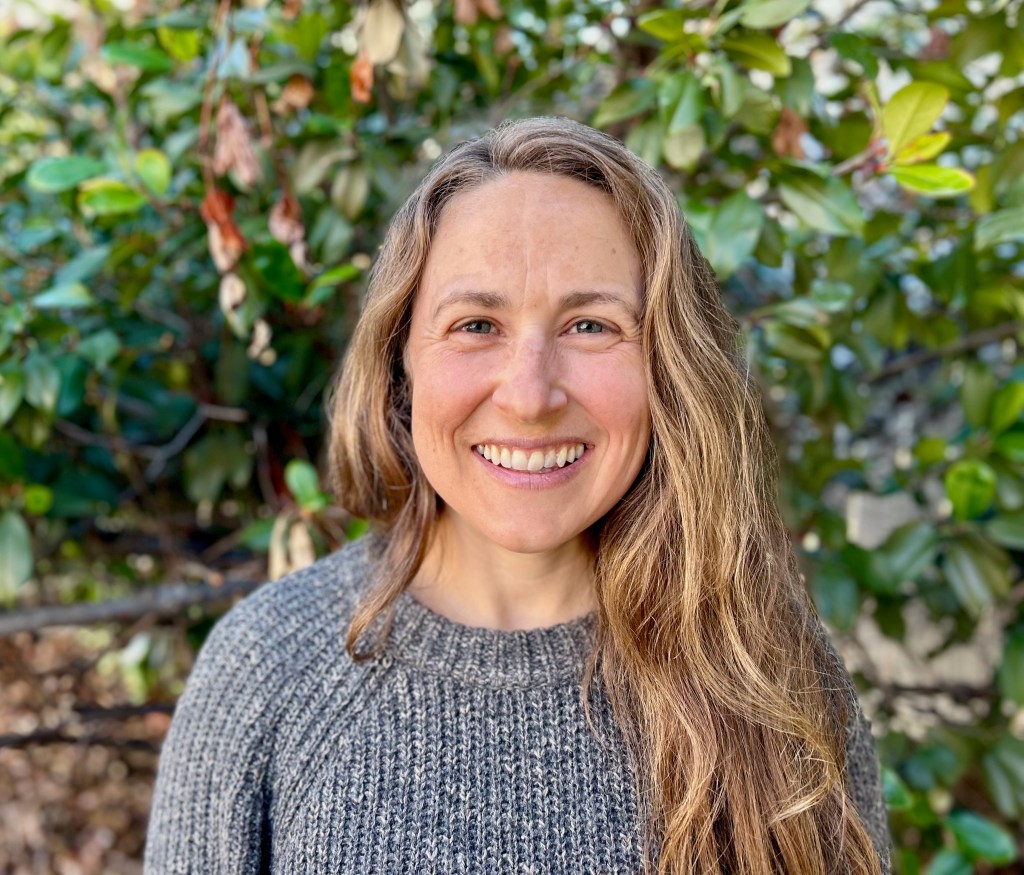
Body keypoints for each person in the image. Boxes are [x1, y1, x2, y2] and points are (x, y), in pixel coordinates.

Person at [143, 117, 891, 874]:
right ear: (402, 361)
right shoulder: (267, 671)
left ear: (669, 365)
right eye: (476, 324)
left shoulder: (765, 671)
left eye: (591, 324)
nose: (530, 395)